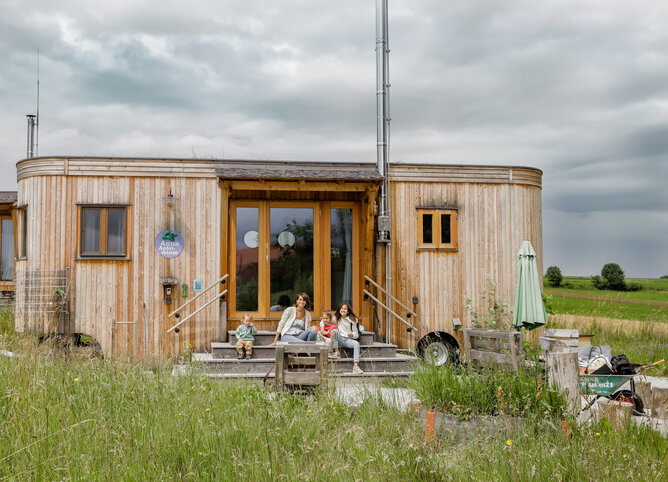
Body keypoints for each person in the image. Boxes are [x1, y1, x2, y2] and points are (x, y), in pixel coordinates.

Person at [334, 302, 364, 374]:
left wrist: (352, 335)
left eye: (345, 309)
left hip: (348, 340)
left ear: (348, 311)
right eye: (341, 308)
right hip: (340, 338)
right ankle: (336, 352)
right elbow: (325, 320)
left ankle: (356, 367)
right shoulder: (336, 318)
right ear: (339, 310)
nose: (343, 310)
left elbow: (356, 334)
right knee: (334, 331)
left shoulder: (353, 320)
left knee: (356, 343)